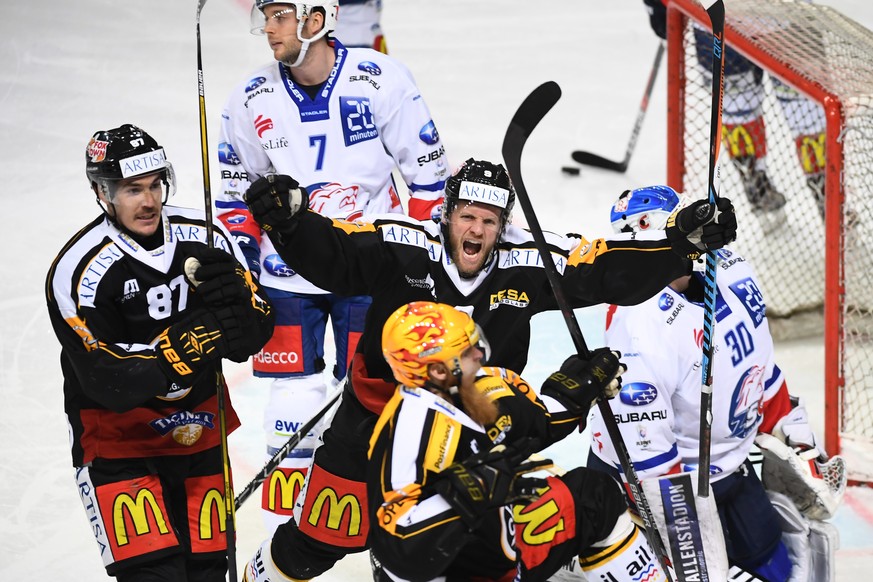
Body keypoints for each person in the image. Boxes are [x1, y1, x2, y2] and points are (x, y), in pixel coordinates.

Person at [238, 158, 737, 581]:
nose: (476, 230)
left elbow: (600, 269)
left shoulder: (524, 255)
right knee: (318, 540)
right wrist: (291, 224)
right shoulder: (402, 244)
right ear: (446, 215)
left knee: (479, 553)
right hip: (370, 426)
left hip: (478, 437)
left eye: (490, 220)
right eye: (467, 216)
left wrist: (678, 247)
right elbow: (337, 253)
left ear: (504, 225)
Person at [216, 0, 449, 532]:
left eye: (280, 15)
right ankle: (288, 532)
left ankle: (381, 516)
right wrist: (241, 268)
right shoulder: (251, 97)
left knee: (372, 393)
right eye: (266, 16)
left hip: (369, 268)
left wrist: (414, 263)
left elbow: (429, 179)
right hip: (286, 273)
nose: (268, 28)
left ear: (315, 19)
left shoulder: (381, 79)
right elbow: (235, 197)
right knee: (292, 395)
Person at [45, 124, 275, 581]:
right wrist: (185, 347)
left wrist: (244, 318)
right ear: (101, 192)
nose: (148, 201)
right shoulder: (79, 270)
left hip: (200, 436)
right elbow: (106, 381)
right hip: (119, 447)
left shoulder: (207, 237)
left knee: (209, 573)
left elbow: (253, 335)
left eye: (154, 185)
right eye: (132, 190)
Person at [586, 185, 844, 581]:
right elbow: (653, 463)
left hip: (726, 466)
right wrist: (694, 558)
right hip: (645, 484)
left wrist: (795, 434)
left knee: (786, 563)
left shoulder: (732, 270)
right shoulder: (638, 328)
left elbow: (757, 365)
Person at [359, 301, 671, 581]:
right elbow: (397, 548)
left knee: (595, 498)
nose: (478, 353)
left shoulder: (472, 387)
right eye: (466, 351)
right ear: (440, 371)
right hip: (451, 569)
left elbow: (531, 424)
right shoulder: (411, 431)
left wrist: (576, 392)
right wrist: (464, 496)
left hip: (492, 537)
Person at [643, 0, 827, 216]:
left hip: (786, 18)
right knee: (739, 111)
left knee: (810, 115)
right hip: (720, 20)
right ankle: (762, 193)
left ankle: (827, 199)